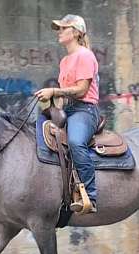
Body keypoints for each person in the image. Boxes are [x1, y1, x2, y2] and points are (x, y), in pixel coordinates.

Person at [35, 14, 100, 214]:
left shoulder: (85, 55)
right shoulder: (64, 61)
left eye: (63, 28)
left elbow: (81, 90)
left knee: (75, 142)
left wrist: (54, 91)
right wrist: (51, 104)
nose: (60, 32)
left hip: (85, 110)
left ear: (76, 32)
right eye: (59, 29)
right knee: (38, 129)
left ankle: (90, 196)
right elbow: (66, 95)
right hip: (68, 109)